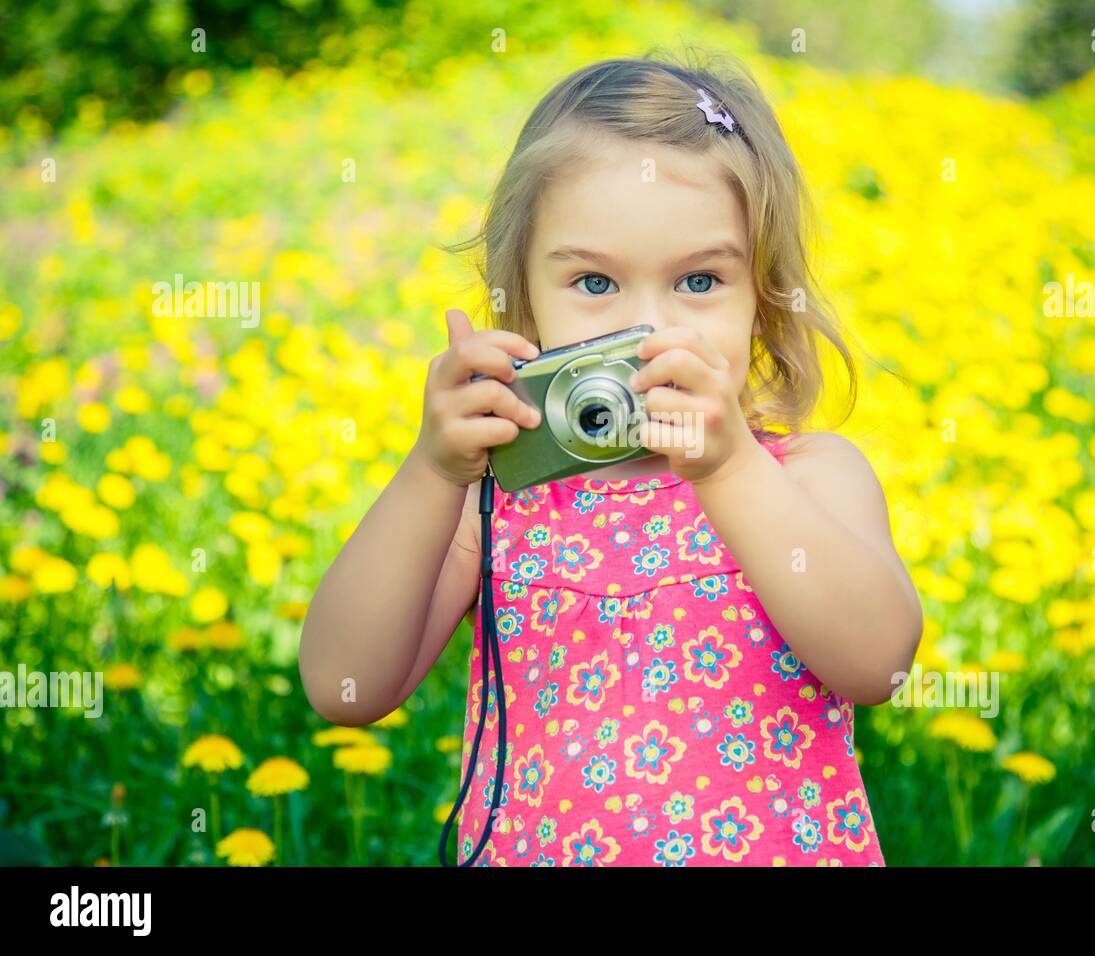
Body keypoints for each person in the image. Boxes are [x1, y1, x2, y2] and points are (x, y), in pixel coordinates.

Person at [300, 48, 923, 866]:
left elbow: (877, 663)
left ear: (763, 303)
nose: (646, 330)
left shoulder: (805, 476)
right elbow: (345, 684)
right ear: (523, 300)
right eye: (594, 285)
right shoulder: (496, 500)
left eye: (699, 283)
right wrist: (432, 472)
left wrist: (729, 469)